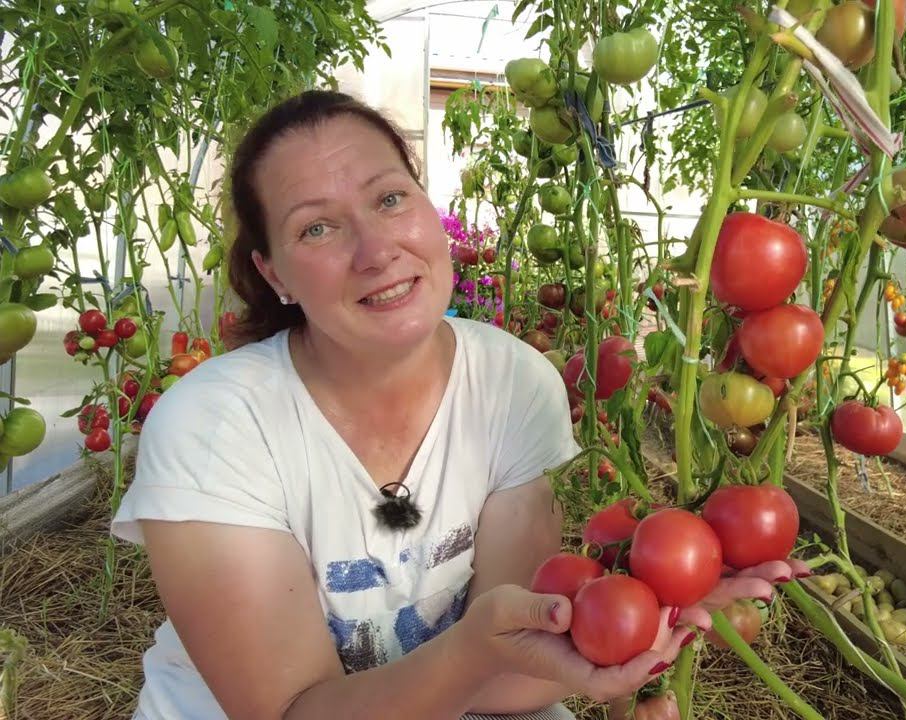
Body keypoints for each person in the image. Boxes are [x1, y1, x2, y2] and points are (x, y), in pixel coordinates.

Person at [110, 89, 808, 720]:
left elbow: (509, 679)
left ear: (425, 204)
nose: (377, 250)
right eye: (316, 229)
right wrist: (479, 652)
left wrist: (644, 619)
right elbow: (295, 712)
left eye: (389, 199)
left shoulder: (513, 381)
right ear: (273, 273)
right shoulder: (214, 426)